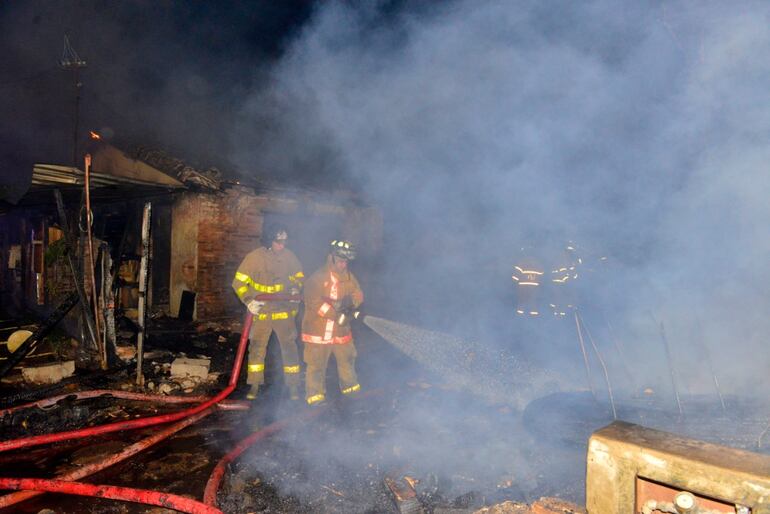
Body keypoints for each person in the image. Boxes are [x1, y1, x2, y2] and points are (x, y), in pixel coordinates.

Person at [232, 225, 304, 400]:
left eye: (285, 241)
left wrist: (295, 289)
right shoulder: (254, 258)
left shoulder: (290, 257)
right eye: (279, 242)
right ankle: (254, 386)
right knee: (256, 349)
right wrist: (249, 301)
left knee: (290, 349)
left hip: (283, 312)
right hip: (261, 313)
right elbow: (238, 283)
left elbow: (300, 277)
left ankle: (293, 386)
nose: (282, 245)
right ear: (269, 241)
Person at [301, 239, 364, 406]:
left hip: (341, 331)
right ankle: (315, 397)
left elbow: (358, 294)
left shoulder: (350, 277)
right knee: (316, 365)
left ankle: (351, 390)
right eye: (341, 261)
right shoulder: (317, 278)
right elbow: (313, 302)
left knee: (348, 359)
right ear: (331, 258)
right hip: (318, 330)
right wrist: (335, 314)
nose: (344, 265)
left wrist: (351, 304)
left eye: (346, 262)